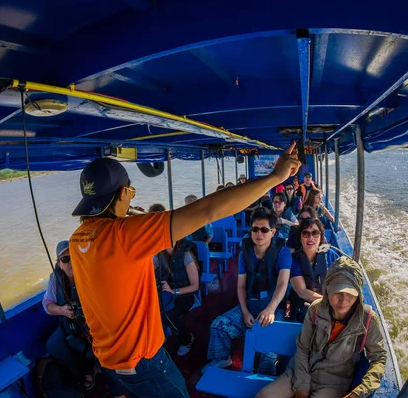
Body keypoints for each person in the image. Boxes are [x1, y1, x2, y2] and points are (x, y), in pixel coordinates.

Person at [69, 142, 300, 398]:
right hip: (141, 358)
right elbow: (207, 210)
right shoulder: (125, 235)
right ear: (123, 193)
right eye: (131, 192)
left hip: (108, 355)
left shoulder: (79, 237)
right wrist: (275, 177)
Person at [255, 257, 387, 398]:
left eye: (350, 294)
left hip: (333, 383)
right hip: (299, 372)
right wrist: (303, 385)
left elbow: (378, 358)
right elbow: (303, 347)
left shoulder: (367, 319)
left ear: (358, 294)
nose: (343, 300)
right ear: (327, 290)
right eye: (337, 292)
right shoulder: (316, 309)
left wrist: (358, 393)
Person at [204, 208, 292, 375]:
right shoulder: (245, 253)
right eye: (255, 229)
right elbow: (241, 286)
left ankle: (264, 377)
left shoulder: (283, 252)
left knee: (269, 348)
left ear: (273, 232)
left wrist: (270, 309)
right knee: (218, 326)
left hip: (273, 308)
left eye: (264, 229)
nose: (259, 233)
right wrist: (244, 312)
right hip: (251, 305)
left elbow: (282, 284)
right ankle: (223, 358)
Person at [43, 241, 124, 396]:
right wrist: (62, 310)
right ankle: (88, 371)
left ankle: (118, 392)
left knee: (107, 356)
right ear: (59, 264)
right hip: (72, 328)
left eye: (74, 256)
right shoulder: (55, 278)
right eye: (65, 259)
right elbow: (47, 304)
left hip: (97, 328)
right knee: (54, 345)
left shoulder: (91, 273)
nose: (71, 262)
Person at [154, 238, 200, 356]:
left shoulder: (186, 255)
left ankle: (187, 339)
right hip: (166, 293)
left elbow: (195, 286)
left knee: (167, 314)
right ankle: (159, 337)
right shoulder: (158, 256)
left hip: (185, 295)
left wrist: (174, 291)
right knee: (151, 309)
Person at [287, 218, 339, 321]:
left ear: (321, 237)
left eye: (315, 233)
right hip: (303, 309)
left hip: (330, 306)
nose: (310, 238)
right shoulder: (294, 260)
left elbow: (343, 275)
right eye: (306, 234)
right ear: (300, 238)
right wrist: (332, 304)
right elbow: (302, 291)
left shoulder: (330, 254)